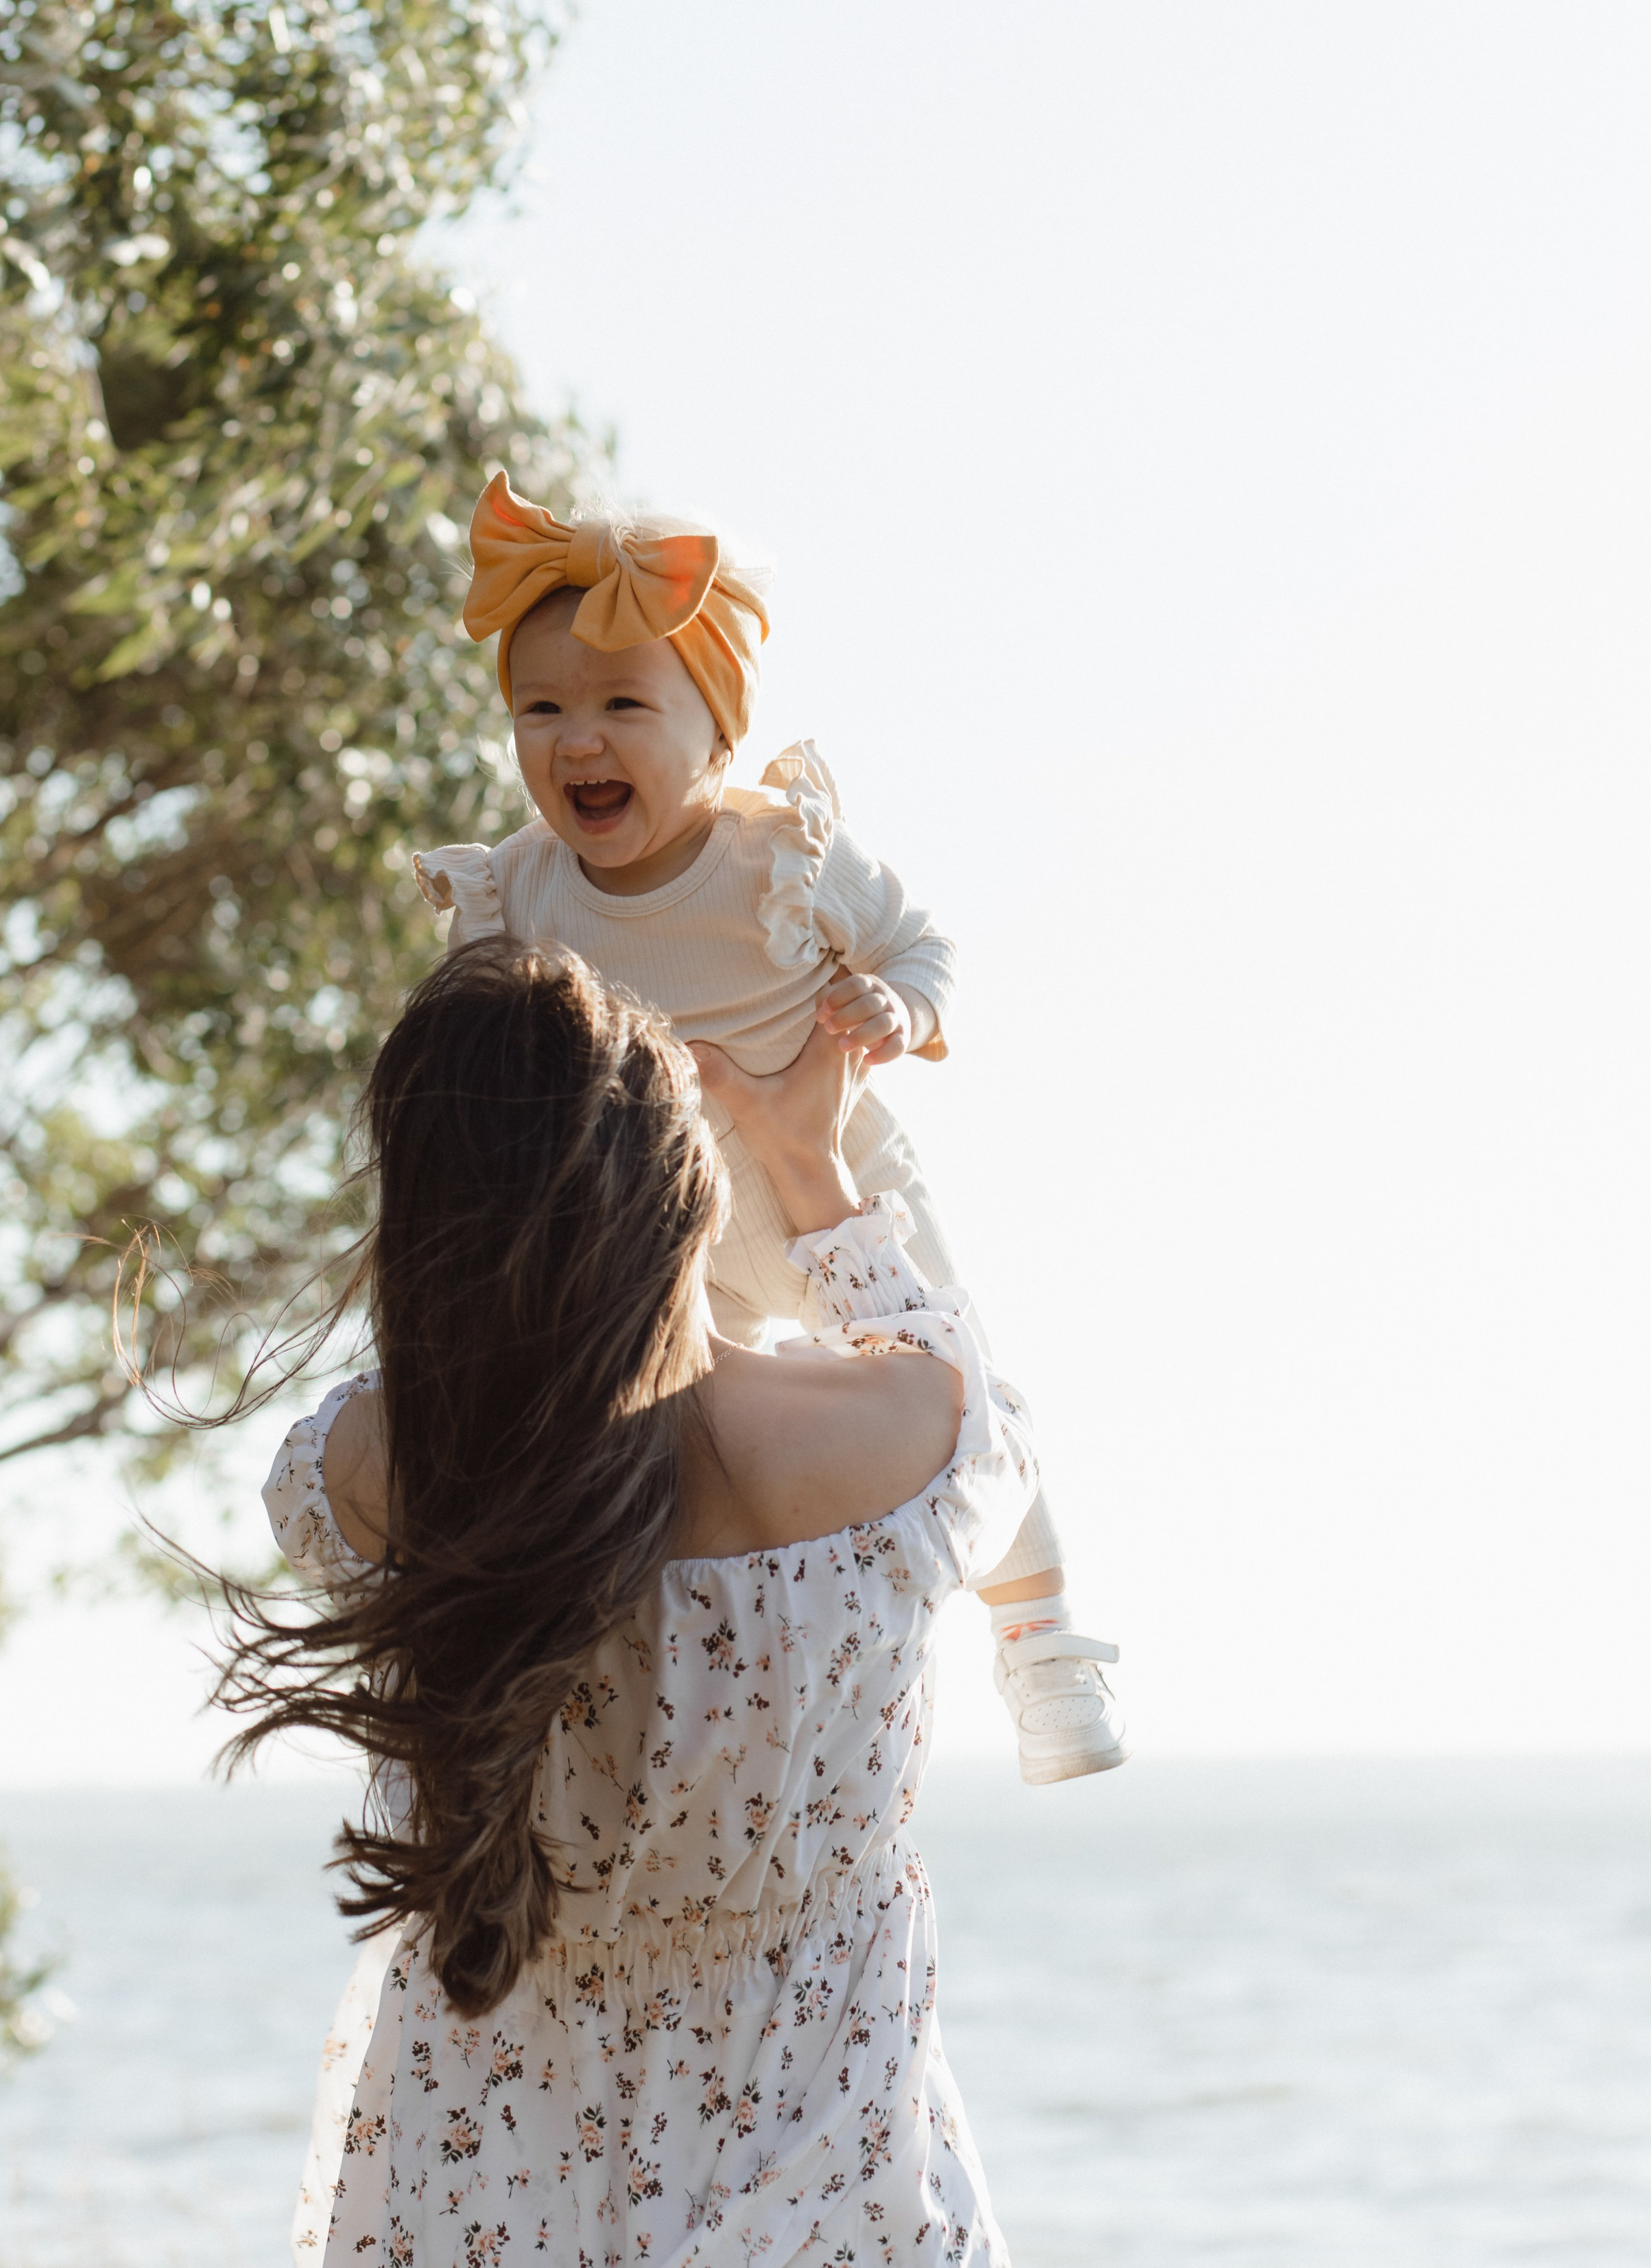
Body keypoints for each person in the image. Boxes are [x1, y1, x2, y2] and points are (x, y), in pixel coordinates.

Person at [232, 939, 1050, 2264]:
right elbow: (986, 1420)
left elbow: (445, 1400)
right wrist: (816, 1173)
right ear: (690, 1192)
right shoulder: (897, 1441)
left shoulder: (369, 1479)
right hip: (823, 2177)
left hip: (483, 2168)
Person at [410, 472, 1125, 1786]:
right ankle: (671, 1715)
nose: (578, 739)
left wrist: (893, 1011)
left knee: (966, 1400)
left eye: (624, 704)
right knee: (682, 1460)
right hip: (646, 1224)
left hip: (830, 1181)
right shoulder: (517, 886)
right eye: (542, 708)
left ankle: (1041, 1642)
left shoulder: (773, 856)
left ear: (717, 731)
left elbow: (923, 948)